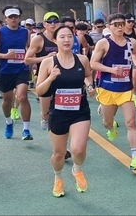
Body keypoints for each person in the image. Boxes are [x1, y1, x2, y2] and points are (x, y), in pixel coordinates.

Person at [35, 25, 96, 197]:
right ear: (55, 41)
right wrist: (52, 77)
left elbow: (87, 75)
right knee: (59, 154)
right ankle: (58, 177)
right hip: (58, 112)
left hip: (80, 110)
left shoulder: (83, 59)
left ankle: (77, 170)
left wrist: (90, 86)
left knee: (78, 149)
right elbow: (39, 91)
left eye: (70, 36)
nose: (67, 40)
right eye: (62, 37)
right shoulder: (48, 62)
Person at [90, 13, 136, 171]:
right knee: (107, 122)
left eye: (122, 24)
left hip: (125, 89)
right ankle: (111, 126)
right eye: (116, 24)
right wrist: (111, 69)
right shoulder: (103, 43)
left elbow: (135, 53)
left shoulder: (131, 42)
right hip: (107, 88)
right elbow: (93, 64)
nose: (120, 27)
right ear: (109, 27)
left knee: (131, 122)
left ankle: (135, 158)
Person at [0, 6, 33, 140]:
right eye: (11, 17)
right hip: (5, 70)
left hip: (21, 69)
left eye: (16, 17)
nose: (14, 19)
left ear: (19, 18)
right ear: (5, 19)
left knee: (22, 97)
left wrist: (30, 62)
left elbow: (30, 48)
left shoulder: (25, 32)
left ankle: (26, 130)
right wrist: (5, 56)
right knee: (7, 101)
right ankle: (8, 122)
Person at [25, 11, 60, 131]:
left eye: (55, 21)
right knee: (46, 113)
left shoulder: (62, 38)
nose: (53, 24)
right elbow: (27, 60)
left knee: (62, 110)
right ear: (44, 24)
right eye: (49, 22)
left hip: (61, 77)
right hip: (44, 77)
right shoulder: (39, 39)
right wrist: (45, 58)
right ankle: (44, 118)